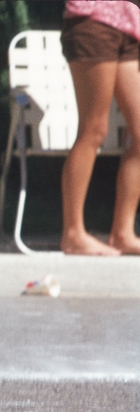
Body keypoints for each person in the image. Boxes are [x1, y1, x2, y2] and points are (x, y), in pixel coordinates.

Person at [59, 0, 140, 255]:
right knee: (94, 129)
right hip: (92, 21)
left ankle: (123, 233)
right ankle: (73, 233)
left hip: (131, 25)